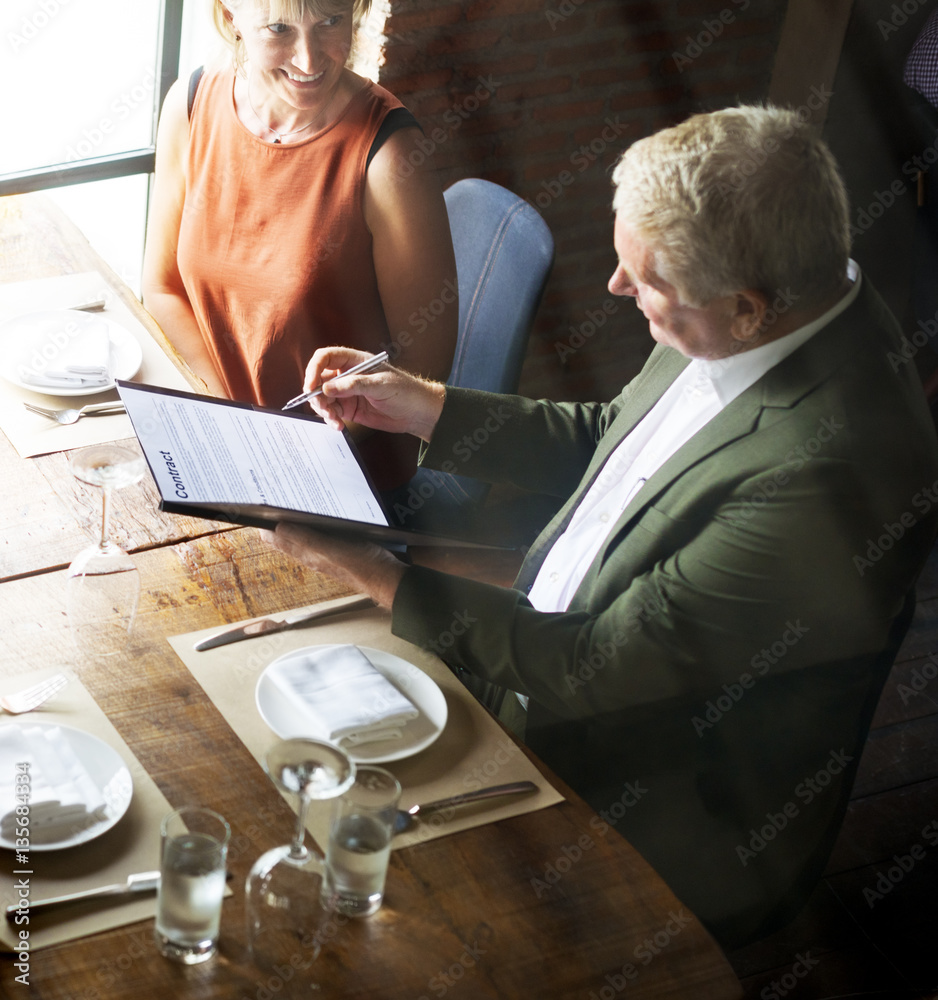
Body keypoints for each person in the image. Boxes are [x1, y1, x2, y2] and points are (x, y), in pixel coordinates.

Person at [263, 105, 938, 947]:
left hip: (647, 798)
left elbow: (591, 670)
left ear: (748, 311)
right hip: (546, 655)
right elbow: (610, 441)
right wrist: (422, 406)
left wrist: (367, 566)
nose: (618, 289)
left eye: (643, 280)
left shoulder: (831, 471)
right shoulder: (747, 293)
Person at [142, 0, 457, 492]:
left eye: (331, 21)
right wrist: (230, 419)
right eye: (279, 29)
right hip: (224, 441)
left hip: (338, 471)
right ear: (231, 18)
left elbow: (424, 366)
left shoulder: (391, 157)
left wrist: (283, 449)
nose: (310, 60)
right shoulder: (192, 101)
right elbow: (162, 288)